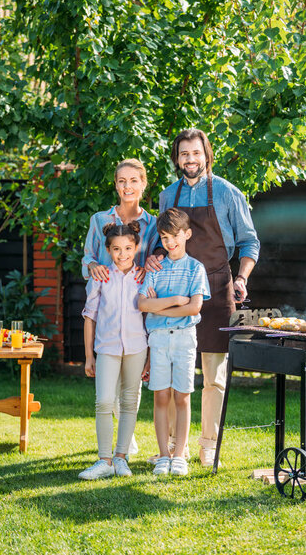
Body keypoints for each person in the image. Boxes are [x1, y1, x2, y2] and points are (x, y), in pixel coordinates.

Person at [145, 128, 260, 467]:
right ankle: (167, 447)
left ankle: (209, 445)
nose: (190, 160)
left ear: (206, 155)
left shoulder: (227, 193)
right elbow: (158, 240)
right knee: (166, 374)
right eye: (183, 154)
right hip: (173, 292)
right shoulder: (167, 196)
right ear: (176, 158)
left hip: (217, 288)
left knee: (214, 376)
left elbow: (249, 242)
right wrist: (153, 255)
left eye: (195, 153)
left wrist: (241, 277)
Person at [82, 158, 159, 456]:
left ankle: (124, 441)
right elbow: (87, 257)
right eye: (121, 181)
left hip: (137, 300)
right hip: (105, 300)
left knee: (130, 385)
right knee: (108, 381)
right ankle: (114, 440)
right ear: (115, 185)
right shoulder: (99, 220)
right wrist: (92, 266)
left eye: (133, 180)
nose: (127, 186)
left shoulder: (152, 224)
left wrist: (148, 268)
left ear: (143, 183)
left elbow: (155, 255)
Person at [138, 208, 210, 476]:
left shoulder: (195, 268)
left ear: (187, 234)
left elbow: (194, 309)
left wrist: (159, 309)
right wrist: (175, 300)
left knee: (181, 396)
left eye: (175, 236)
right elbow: (142, 302)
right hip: (157, 340)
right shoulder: (155, 268)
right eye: (164, 237)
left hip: (184, 340)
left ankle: (179, 454)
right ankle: (163, 455)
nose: (170, 242)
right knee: (161, 396)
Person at [78, 221, 149, 480]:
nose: (123, 254)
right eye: (117, 249)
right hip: (106, 347)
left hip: (137, 347)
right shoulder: (100, 277)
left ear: (137, 247)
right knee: (104, 401)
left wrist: (149, 357)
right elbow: (90, 317)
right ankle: (104, 460)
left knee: (129, 402)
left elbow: (149, 318)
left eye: (128, 248)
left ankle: (121, 458)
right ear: (108, 250)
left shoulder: (143, 277)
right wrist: (88, 356)